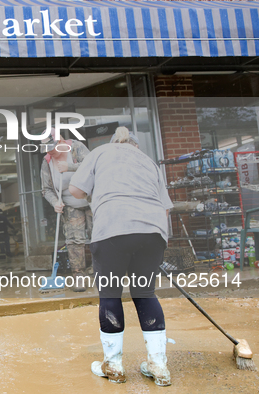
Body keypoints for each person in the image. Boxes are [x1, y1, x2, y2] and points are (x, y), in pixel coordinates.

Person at [69, 127, 174, 386]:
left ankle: (114, 365)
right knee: (145, 293)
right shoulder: (148, 161)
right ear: (134, 146)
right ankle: (159, 366)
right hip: (152, 233)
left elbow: (75, 191)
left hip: (112, 230)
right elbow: (166, 208)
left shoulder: (100, 152)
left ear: (113, 142)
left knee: (110, 294)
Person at [40, 130, 92, 291]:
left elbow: (93, 167)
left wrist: (69, 167)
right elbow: (46, 189)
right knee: (74, 241)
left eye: (52, 148)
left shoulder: (77, 147)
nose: (49, 152)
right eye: (46, 149)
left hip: (92, 201)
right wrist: (55, 202)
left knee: (99, 237)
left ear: (61, 142)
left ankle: (103, 271)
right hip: (70, 205)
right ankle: (79, 276)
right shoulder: (47, 161)